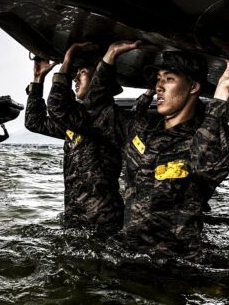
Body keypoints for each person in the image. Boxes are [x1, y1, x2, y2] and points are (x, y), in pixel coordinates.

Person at [75, 41, 229, 258]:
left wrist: (222, 94)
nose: (159, 86)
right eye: (158, 79)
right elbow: (95, 109)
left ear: (193, 87)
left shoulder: (207, 137)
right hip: (128, 253)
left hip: (175, 266)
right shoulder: (141, 128)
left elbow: (207, 168)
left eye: (169, 79)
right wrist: (110, 56)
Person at [27, 43, 145, 232]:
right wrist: (38, 78)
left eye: (81, 72)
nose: (74, 78)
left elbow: (57, 106)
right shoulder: (78, 120)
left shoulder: (106, 117)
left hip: (103, 221)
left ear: (100, 79)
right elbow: (35, 122)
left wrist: (68, 59)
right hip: (76, 215)